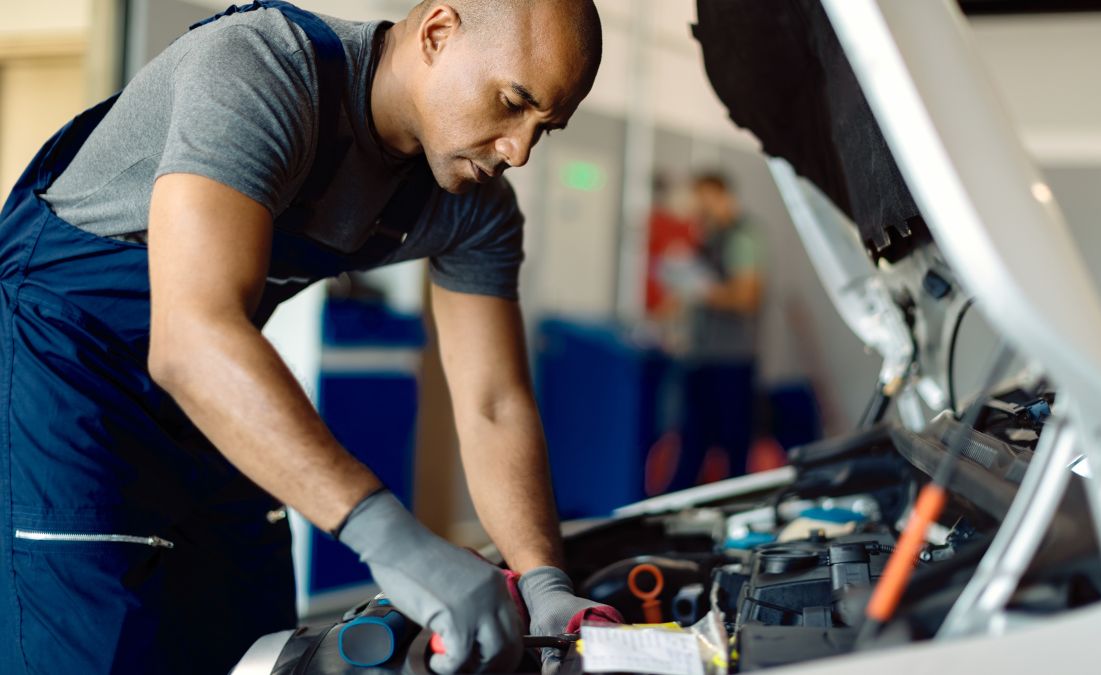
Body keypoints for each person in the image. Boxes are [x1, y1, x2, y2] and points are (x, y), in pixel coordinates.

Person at [0, 1, 619, 673]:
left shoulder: (475, 206)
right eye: (512, 102)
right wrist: (394, 538)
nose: (519, 150)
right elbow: (191, 337)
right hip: (60, 375)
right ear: (438, 33)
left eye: (544, 128)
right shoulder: (261, 68)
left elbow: (493, 402)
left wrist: (542, 580)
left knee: (256, 643)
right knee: (101, 647)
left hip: (208, 398)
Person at [664, 171, 765, 489]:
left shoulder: (742, 237)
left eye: (703, 200)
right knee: (692, 446)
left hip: (730, 361)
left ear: (720, 196)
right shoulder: (709, 239)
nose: (698, 208)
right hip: (702, 358)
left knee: (734, 450)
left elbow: (747, 297)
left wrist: (703, 290)